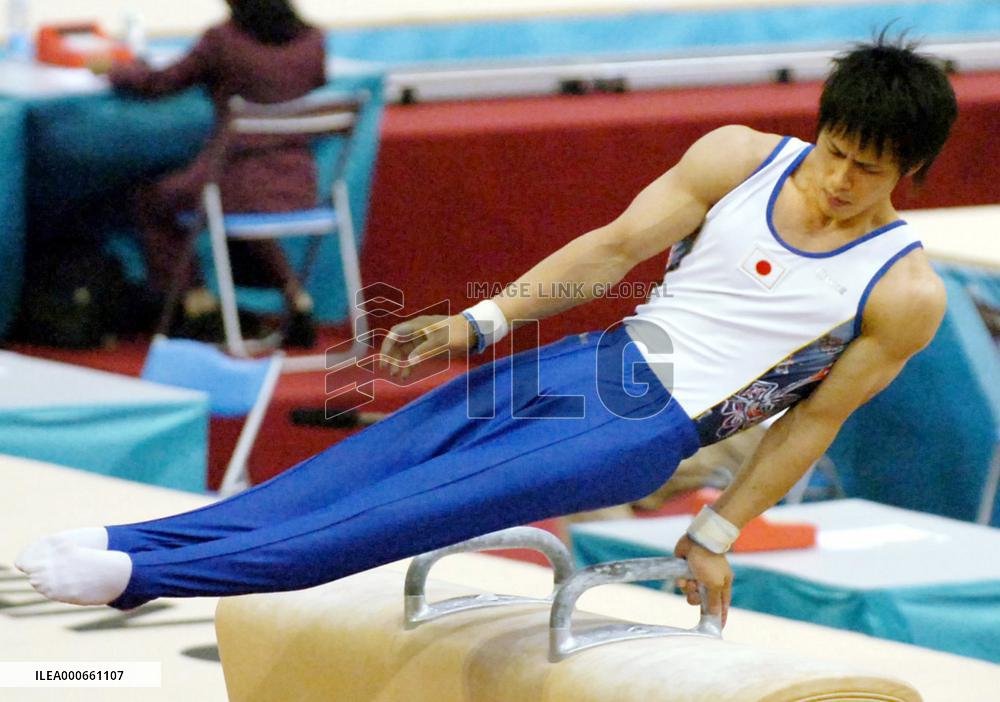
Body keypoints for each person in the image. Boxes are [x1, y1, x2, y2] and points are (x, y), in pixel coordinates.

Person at [18, 34, 957, 626]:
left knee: (389, 518)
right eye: (837, 152)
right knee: (352, 470)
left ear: (908, 172)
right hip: (593, 361)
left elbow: (813, 422)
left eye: (870, 170)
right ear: (822, 127)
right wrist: (479, 321)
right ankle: (140, 552)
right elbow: (611, 247)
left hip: (642, 429)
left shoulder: (902, 289)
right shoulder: (740, 158)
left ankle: (147, 570)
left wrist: (717, 530)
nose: (841, 181)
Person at [104, 0, 326, 346]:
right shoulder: (313, 41)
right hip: (299, 184)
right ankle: (296, 298)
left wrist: (113, 68)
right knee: (245, 218)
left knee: (155, 200)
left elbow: (159, 82)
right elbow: (317, 82)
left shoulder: (224, 41)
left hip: (234, 179)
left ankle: (197, 304)